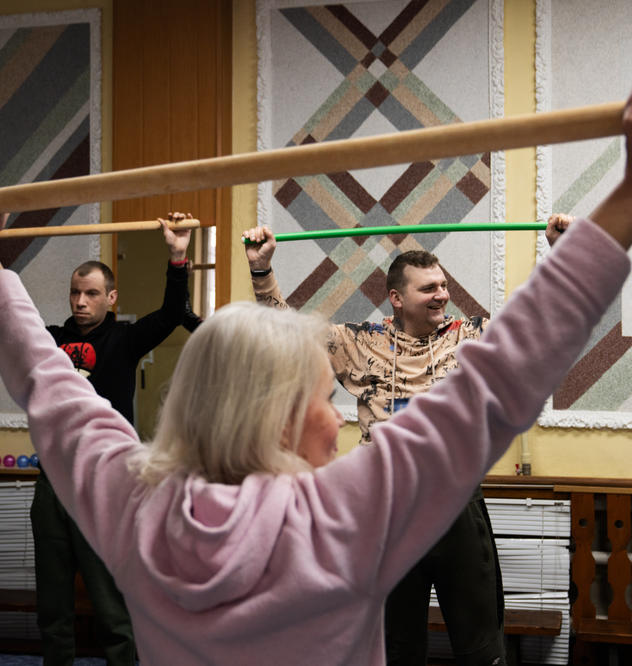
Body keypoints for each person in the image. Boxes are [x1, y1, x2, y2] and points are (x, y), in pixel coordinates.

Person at [0, 80, 632, 666]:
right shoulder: (343, 515)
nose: (333, 414)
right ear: (279, 420)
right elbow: (507, 378)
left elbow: (46, 384)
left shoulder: (133, 509)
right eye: (320, 397)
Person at [245, 206, 572, 664]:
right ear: (396, 298)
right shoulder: (359, 343)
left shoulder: (472, 336)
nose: (442, 295)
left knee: (481, 645)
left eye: (443, 285)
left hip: (455, 504)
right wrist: (262, 269)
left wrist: (561, 255)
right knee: (395, 646)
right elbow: (285, 333)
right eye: (429, 288)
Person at [0, 215, 192, 665]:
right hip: (52, 482)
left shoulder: (125, 339)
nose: (80, 301)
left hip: (105, 483)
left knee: (112, 609)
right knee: (53, 608)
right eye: (75, 292)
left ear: (111, 298)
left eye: (91, 293)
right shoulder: (50, 342)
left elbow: (173, 314)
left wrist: (177, 256)